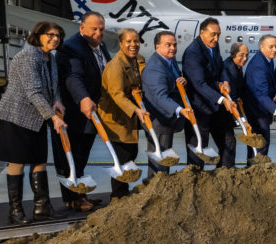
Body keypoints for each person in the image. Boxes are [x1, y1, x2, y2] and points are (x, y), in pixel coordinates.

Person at [0, 21, 67, 224]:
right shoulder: (28, 56)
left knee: (39, 159)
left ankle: (42, 207)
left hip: (37, 117)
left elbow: (53, 86)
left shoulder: (50, 58)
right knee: (17, 161)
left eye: (58, 36)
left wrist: (57, 101)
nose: (55, 38)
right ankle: (15, 211)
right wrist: (52, 116)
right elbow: (33, 91)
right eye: (50, 34)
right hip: (16, 116)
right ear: (38, 35)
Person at [52, 11, 110, 212]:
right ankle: (73, 199)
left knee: (82, 155)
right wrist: (84, 98)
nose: (98, 33)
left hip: (92, 113)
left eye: (101, 29)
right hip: (74, 112)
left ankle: (80, 194)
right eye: (94, 29)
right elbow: (72, 77)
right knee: (71, 156)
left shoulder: (100, 47)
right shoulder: (71, 48)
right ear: (82, 28)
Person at [97, 28, 147, 199]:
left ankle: (122, 194)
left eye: (136, 41)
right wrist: (135, 110)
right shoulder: (115, 66)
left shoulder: (136, 61)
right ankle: (118, 197)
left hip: (129, 117)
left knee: (131, 153)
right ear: (121, 44)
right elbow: (117, 94)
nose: (133, 45)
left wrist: (140, 64)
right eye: (129, 41)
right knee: (123, 157)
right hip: (116, 118)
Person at [182, 17, 236, 168]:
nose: (216, 38)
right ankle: (194, 181)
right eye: (213, 34)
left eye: (218, 34)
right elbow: (199, 84)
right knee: (199, 149)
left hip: (215, 105)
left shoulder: (214, 46)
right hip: (199, 107)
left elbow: (221, 66)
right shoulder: (193, 53)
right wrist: (221, 99)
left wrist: (224, 81)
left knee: (228, 141)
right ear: (202, 32)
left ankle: (224, 176)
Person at [141, 31, 190, 176]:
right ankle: (154, 192)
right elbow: (159, 96)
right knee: (159, 163)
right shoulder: (155, 67)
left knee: (164, 159)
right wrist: (180, 110)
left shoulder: (170, 61)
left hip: (166, 119)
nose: (173, 48)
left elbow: (172, 84)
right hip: (158, 120)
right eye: (168, 45)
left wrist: (182, 82)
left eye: (174, 45)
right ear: (157, 47)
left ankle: (161, 191)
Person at [243, 35, 276, 158]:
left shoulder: (268, 59)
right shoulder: (259, 65)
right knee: (260, 144)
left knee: (263, 143)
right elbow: (260, 94)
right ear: (261, 47)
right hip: (256, 110)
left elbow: (271, 82)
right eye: (271, 47)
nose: (274, 49)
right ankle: (255, 171)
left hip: (262, 109)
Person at [218, 42, 249, 167]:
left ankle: (224, 168)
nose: (245, 59)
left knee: (228, 142)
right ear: (232, 54)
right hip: (222, 112)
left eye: (247, 55)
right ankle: (227, 171)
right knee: (229, 142)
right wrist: (242, 119)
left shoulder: (237, 67)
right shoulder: (229, 68)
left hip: (229, 110)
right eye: (241, 55)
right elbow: (232, 96)